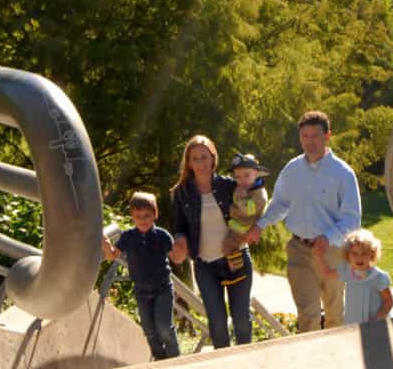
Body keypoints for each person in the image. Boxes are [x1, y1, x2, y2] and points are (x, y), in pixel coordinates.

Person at [247, 110, 361, 333]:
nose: (310, 142)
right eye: (305, 136)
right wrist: (260, 225)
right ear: (300, 138)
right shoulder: (292, 170)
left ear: (327, 136)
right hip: (298, 250)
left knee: (334, 316)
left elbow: (352, 218)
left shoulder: (343, 173)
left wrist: (327, 238)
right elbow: (280, 204)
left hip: (332, 252)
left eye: (315, 136)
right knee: (307, 315)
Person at [171, 134, 253, 348]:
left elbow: (251, 209)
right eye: (195, 158)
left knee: (241, 320)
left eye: (204, 157)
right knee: (217, 324)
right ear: (189, 163)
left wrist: (250, 228)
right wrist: (180, 242)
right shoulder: (182, 192)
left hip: (236, 259)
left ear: (213, 158)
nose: (200, 163)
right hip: (205, 265)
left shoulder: (229, 186)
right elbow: (180, 227)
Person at [101, 191, 183, 360]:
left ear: (155, 215)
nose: (143, 220)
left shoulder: (161, 235)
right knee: (149, 330)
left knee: (164, 328)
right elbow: (112, 255)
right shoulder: (128, 236)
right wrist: (105, 244)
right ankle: (160, 360)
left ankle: (176, 360)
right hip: (141, 291)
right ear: (132, 216)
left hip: (162, 288)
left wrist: (180, 249)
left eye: (147, 215)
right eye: (138, 216)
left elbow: (175, 257)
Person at [313, 229, 393, 324]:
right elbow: (327, 273)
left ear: (372, 254)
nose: (359, 258)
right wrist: (318, 256)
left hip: (375, 324)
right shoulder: (348, 272)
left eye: (364, 253)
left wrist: (377, 319)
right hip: (353, 323)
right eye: (354, 254)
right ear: (348, 255)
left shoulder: (378, 277)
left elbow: (388, 302)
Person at [223, 153, 270, 272]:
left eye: (246, 175)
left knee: (229, 245)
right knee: (230, 245)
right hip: (240, 223)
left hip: (245, 226)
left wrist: (240, 200)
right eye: (237, 177)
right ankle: (235, 265)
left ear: (257, 174)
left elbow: (249, 211)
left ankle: (236, 269)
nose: (242, 180)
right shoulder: (247, 188)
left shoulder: (259, 193)